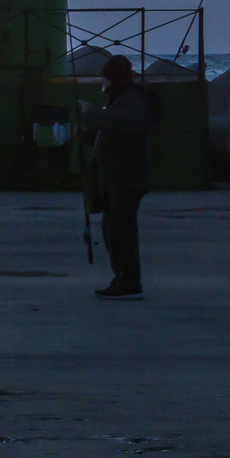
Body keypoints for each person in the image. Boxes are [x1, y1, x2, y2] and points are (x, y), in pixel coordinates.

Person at [79, 54, 158, 300]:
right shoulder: (121, 99)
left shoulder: (133, 99)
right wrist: (88, 133)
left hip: (126, 178)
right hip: (115, 178)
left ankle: (129, 283)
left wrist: (91, 114)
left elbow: (129, 125)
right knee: (113, 230)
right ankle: (121, 279)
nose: (102, 81)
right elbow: (114, 129)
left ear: (113, 78)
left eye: (104, 77)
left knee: (121, 232)